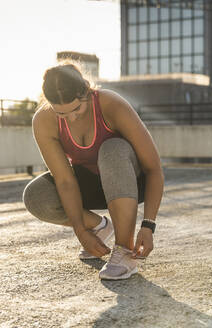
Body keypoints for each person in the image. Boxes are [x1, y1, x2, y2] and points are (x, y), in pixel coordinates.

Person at [23, 62, 164, 280]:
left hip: (131, 179)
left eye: (77, 109)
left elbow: (153, 168)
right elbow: (65, 181)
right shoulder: (43, 120)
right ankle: (99, 227)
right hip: (92, 184)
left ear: (87, 91)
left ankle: (124, 252)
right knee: (37, 196)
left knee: (112, 148)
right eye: (62, 114)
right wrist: (81, 230)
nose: (71, 118)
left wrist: (148, 225)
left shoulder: (111, 104)